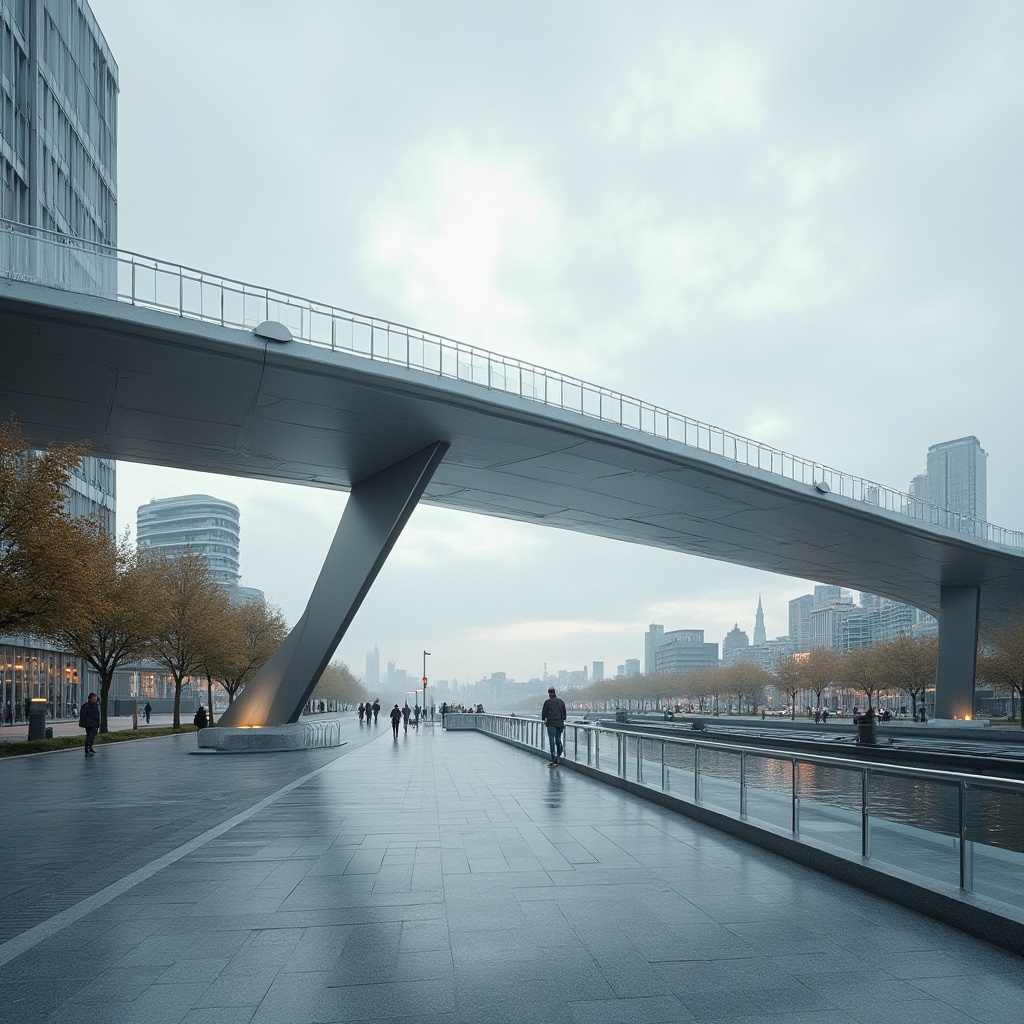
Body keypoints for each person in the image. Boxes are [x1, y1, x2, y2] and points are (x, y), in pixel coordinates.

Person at [541, 686, 567, 767]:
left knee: (552, 741)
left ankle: (553, 760)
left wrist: (545, 719)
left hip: (551, 724)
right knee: (558, 740)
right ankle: (559, 754)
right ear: (555, 693)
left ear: (549, 694)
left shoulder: (547, 702)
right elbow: (565, 715)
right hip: (560, 724)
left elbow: (543, 714)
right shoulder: (561, 701)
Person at [79, 692, 100, 756]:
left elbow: (97, 715)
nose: (95, 701)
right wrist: (88, 722)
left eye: (96, 700)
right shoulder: (87, 706)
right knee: (89, 736)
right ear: (90, 699)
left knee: (92, 736)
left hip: (94, 723)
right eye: (94, 699)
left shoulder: (94, 705)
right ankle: (87, 749)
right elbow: (83, 716)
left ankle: (90, 748)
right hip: (89, 723)